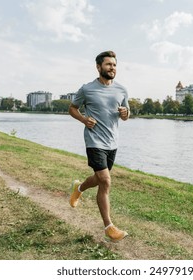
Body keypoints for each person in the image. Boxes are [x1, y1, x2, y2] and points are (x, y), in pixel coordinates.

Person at [68, 50, 130, 242]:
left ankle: (78, 189)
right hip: (94, 140)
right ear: (98, 67)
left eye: (114, 65)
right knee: (106, 181)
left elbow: (127, 114)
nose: (112, 68)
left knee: (99, 178)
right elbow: (72, 108)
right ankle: (109, 227)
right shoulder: (87, 89)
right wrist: (84, 120)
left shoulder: (122, 90)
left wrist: (125, 113)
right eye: (108, 64)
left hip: (112, 142)